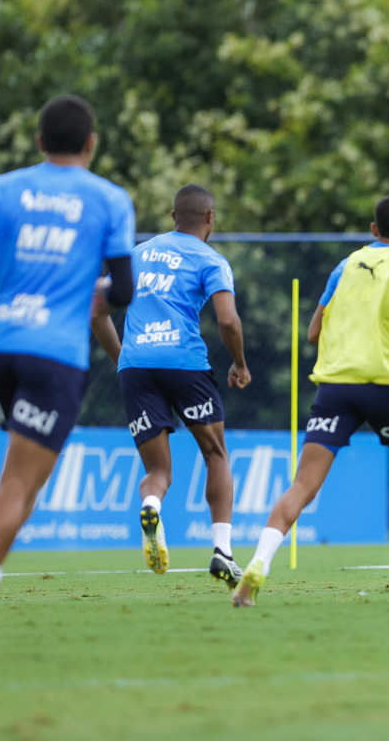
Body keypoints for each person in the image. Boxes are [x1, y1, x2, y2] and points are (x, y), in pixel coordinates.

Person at [0, 95, 136, 660]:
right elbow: (122, 293)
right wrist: (91, 293)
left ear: (40, 143)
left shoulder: (3, 187)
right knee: (20, 484)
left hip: (0, 349)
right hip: (55, 355)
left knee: (22, 479)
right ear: (91, 144)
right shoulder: (110, 200)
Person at [231, 195, 389, 606]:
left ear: (372, 230)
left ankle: (258, 563)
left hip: (335, 387)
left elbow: (314, 331)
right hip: (384, 384)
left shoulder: (345, 265)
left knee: (303, 484)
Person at [90, 184, 252, 587]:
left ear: (172, 215)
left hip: (137, 366)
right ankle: (223, 553)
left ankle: (150, 504)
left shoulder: (138, 255)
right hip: (185, 364)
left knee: (158, 470)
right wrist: (239, 363)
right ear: (210, 218)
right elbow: (228, 321)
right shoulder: (210, 259)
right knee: (215, 453)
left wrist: (123, 358)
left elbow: (96, 311)